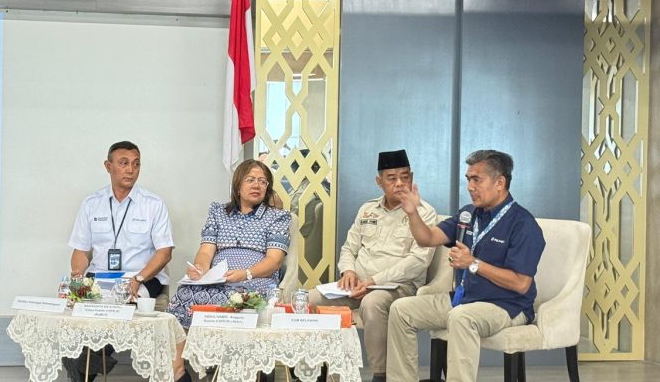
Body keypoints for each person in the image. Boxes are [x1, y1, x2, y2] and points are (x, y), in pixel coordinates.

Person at [386, 150, 546, 382]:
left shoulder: (523, 224)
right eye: (468, 179)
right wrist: (412, 213)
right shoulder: (468, 214)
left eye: (476, 180)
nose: (470, 187)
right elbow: (427, 238)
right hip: (465, 299)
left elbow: (521, 284)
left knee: (461, 317)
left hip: (506, 305)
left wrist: (473, 264)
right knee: (401, 310)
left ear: (500, 182)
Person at [308, 149, 437, 382]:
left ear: (412, 178)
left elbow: (417, 262)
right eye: (392, 178)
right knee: (310, 299)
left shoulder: (424, 213)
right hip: (356, 286)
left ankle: (381, 374)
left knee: (372, 302)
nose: (400, 183)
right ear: (379, 182)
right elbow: (349, 248)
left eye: (405, 177)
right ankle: (314, 369)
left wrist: (374, 281)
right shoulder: (367, 209)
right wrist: (348, 271)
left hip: (399, 288)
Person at [63, 141, 182, 382]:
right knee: (75, 320)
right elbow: (81, 251)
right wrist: (76, 278)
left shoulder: (153, 204)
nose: (130, 170)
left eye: (136, 164)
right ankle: (87, 362)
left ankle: (93, 359)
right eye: (124, 163)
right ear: (108, 166)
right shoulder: (91, 203)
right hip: (99, 279)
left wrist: (138, 278)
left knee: (115, 308)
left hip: (143, 279)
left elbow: (164, 252)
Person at [166, 159, 291, 328]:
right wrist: (200, 268)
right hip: (219, 279)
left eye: (262, 182)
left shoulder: (277, 217)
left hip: (255, 279)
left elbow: (274, 261)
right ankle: (187, 346)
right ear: (237, 186)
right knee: (185, 292)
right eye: (250, 180)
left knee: (235, 298)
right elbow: (205, 252)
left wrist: (246, 274)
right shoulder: (219, 212)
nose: (257, 185)